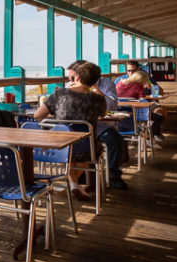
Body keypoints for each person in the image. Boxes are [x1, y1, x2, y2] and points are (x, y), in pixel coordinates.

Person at [35, 61, 127, 194]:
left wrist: (50, 128)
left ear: (77, 77)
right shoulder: (98, 99)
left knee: (67, 144)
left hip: (60, 146)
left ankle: (72, 182)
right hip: (87, 147)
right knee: (85, 146)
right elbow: (104, 114)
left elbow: (38, 116)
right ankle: (74, 183)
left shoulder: (60, 93)